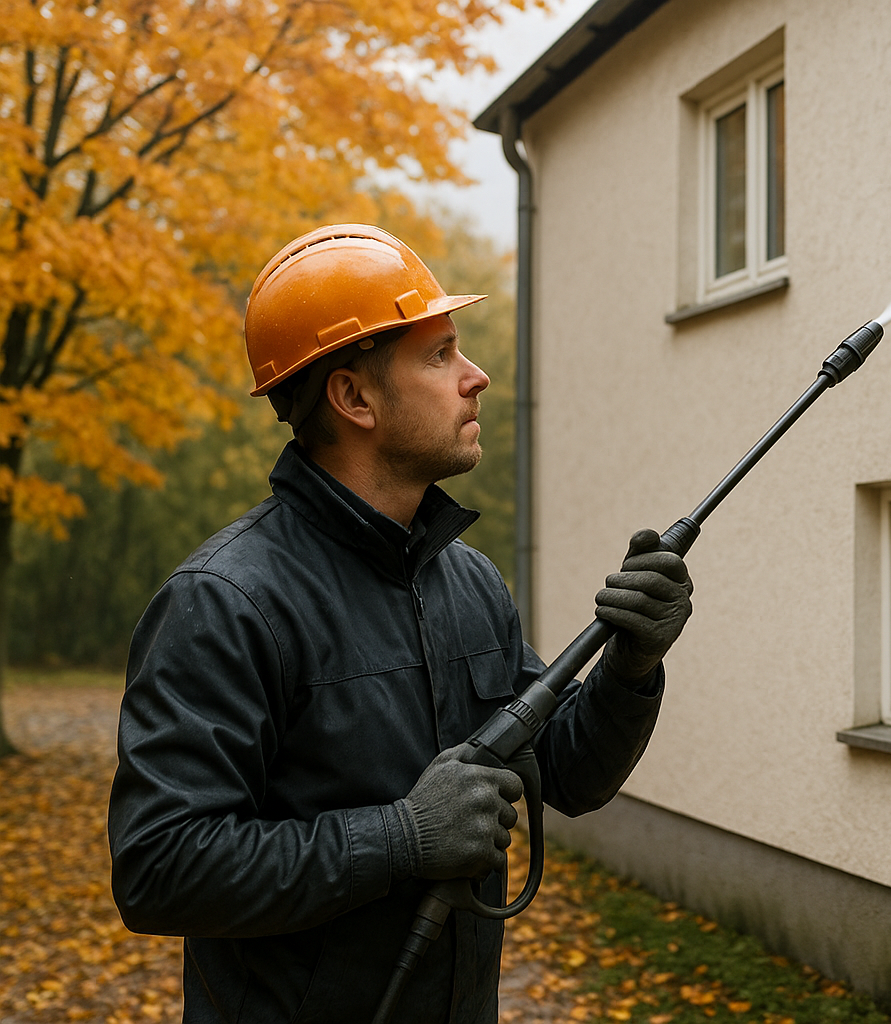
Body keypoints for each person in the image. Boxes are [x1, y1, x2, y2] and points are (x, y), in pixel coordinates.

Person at [107, 224, 693, 1023]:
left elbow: (569, 771)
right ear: (354, 399)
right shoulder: (224, 602)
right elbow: (160, 868)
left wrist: (631, 670)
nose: (476, 377)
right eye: (440, 355)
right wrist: (402, 838)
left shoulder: (470, 581)